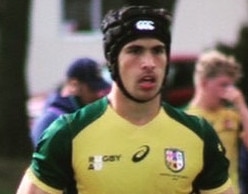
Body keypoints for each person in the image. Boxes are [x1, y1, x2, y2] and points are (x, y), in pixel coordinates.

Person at [16, 6, 235, 194]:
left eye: (158, 50)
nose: (149, 63)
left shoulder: (198, 134)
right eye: (135, 50)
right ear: (113, 61)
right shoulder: (68, 132)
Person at [184, 49, 248, 194]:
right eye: (223, 85)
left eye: (231, 86)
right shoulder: (185, 117)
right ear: (204, 83)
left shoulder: (234, 115)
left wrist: (241, 105)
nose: (228, 91)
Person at [30, 57, 110, 147]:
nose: (98, 94)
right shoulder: (50, 121)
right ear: (74, 85)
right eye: (93, 89)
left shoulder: (82, 115)